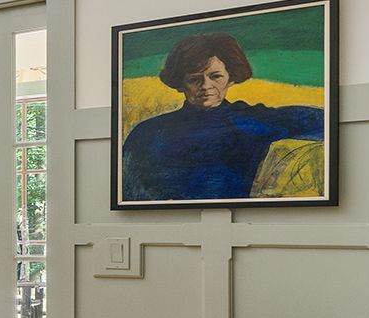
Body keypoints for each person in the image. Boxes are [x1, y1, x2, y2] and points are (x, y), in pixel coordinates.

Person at [120, 31, 323, 202]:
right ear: (180, 84)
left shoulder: (252, 120)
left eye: (215, 76)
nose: (206, 86)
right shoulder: (146, 133)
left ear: (231, 78)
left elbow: (324, 120)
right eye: (194, 79)